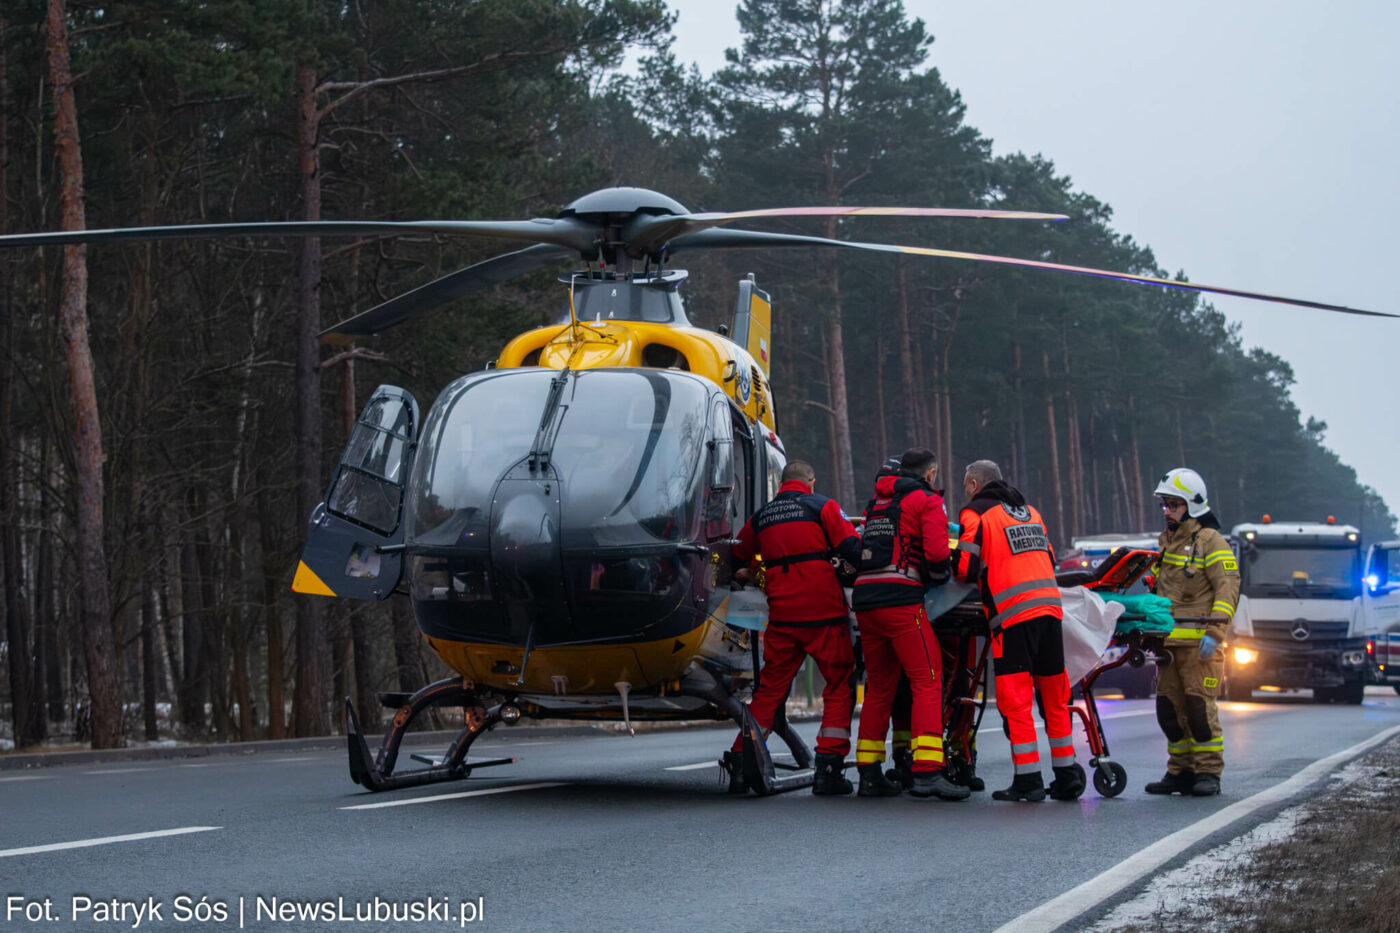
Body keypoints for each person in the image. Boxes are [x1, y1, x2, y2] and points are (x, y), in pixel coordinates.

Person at [724, 459, 862, 795]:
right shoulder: (823, 506)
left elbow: (737, 554)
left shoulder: (763, 516)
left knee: (770, 691)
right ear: (810, 482)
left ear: (783, 483)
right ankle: (828, 768)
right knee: (839, 684)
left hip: (783, 617)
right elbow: (853, 550)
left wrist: (756, 570)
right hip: (823, 614)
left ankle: (742, 762)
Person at [953, 460, 1084, 802]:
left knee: (1017, 701)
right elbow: (1049, 559)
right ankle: (1068, 775)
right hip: (1051, 612)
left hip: (1013, 619)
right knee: (1055, 698)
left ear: (972, 484)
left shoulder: (975, 514)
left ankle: (1028, 781)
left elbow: (965, 567)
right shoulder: (1030, 511)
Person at [850, 448, 968, 800]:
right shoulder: (926, 500)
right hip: (900, 599)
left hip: (865, 600)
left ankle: (869, 772)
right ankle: (928, 771)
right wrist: (940, 575)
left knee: (880, 686)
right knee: (928, 679)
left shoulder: (876, 503)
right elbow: (935, 553)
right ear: (930, 474)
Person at [1144, 468, 1240, 797]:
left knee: (1199, 711)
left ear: (1192, 505)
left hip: (1201, 645)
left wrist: (1216, 632)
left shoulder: (1211, 542)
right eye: (1164, 504)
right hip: (1169, 645)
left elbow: (1228, 587)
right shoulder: (1166, 543)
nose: (1167, 510)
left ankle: (1208, 773)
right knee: (1170, 712)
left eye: (1173, 504)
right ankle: (1180, 772)